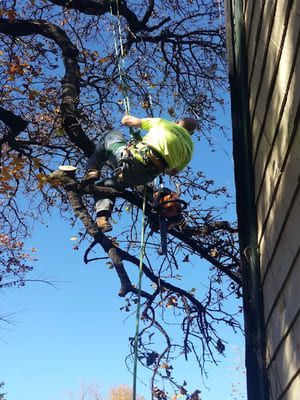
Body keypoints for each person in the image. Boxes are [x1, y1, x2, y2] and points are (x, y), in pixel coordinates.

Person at [84, 115, 197, 232]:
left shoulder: (164, 123)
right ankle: (171, 212)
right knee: (106, 185)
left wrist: (126, 118)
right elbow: (173, 172)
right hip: (144, 177)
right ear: (191, 133)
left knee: (109, 135)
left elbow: (126, 121)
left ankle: (92, 171)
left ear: (177, 122)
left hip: (131, 162)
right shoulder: (190, 148)